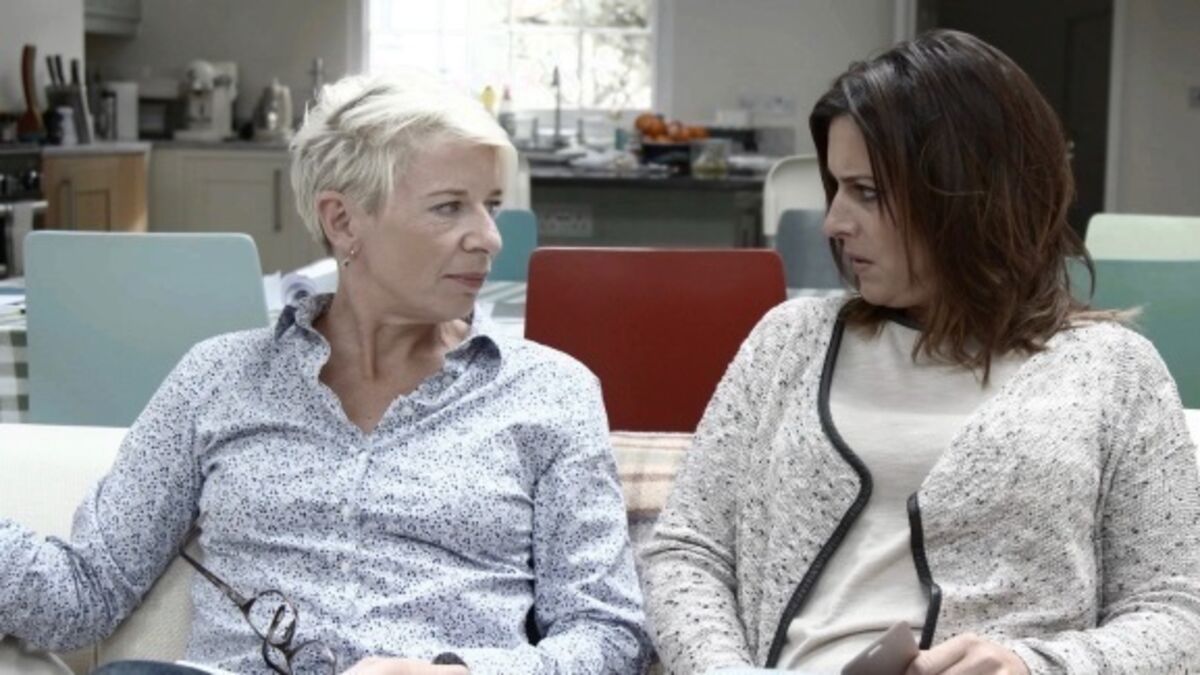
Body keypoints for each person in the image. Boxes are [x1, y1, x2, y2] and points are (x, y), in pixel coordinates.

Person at [0, 72, 650, 675]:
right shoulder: (217, 378)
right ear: (342, 221)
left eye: (491, 205)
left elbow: (608, 633)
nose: (489, 237)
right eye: (450, 207)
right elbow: (81, 596)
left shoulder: (549, 393)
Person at [642, 29, 1200, 675]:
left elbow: (1179, 614)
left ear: (972, 194)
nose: (833, 222)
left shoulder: (1113, 371)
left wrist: (1035, 665)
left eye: (868, 192)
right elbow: (688, 552)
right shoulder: (788, 341)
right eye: (836, 187)